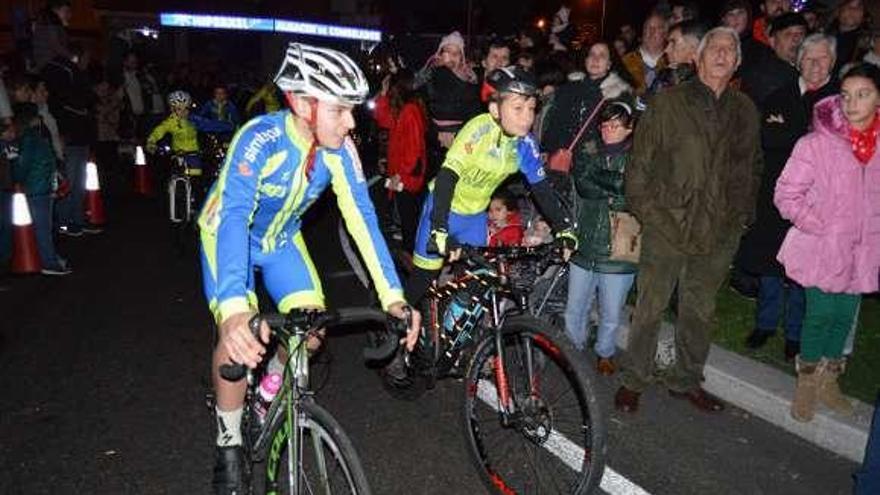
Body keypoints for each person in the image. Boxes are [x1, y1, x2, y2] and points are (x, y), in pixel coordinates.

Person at [198, 43, 420, 494]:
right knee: (238, 341)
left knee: (312, 331)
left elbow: (364, 221)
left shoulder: (341, 150)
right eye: (340, 111)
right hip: (226, 236)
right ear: (302, 104)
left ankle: (268, 392)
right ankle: (228, 442)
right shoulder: (259, 138)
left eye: (353, 111)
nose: (352, 122)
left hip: (281, 242)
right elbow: (236, 217)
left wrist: (394, 298)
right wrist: (235, 309)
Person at [616, 27, 763, 415]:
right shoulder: (669, 103)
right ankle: (634, 379)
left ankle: (686, 379)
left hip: (719, 229)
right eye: (714, 48)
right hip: (668, 223)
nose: (722, 54)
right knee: (651, 306)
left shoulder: (745, 110)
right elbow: (639, 167)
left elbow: (754, 168)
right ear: (697, 58)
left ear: (736, 62)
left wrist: (742, 216)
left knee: (699, 310)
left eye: (730, 50)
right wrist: (649, 212)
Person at [405, 66, 577, 306]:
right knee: (423, 279)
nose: (527, 117)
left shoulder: (525, 143)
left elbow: (541, 189)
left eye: (531, 108)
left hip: (475, 217)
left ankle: (452, 333)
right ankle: (396, 329)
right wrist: (439, 228)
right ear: (495, 109)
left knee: (481, 281)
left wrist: (564, 228)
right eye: (517, 108)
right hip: (443, 209)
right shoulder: (478, 130)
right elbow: (447, 178)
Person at [774, 63, 880, 423]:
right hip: (822, 247)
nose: (852, 103)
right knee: (819, 315)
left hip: (863, 252)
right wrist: (818, 224)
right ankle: (806, 383)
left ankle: (829, 380)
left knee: (844, 317)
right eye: (847, 95)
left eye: (863, 94)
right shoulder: (818, 143)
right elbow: (786, 194)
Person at [736, 34, 840, 362]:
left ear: (832, 64)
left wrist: (790, 135)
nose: (814, 64)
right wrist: (804, 136)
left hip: (815, 200)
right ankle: (766, 324)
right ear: (798, 60)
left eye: (822, 59)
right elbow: (766, 137)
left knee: (800, 266)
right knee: (770, 262)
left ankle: (794, 332)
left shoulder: (839, 103)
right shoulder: (777, 95)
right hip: (774, 192)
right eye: (808, 57)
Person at [564, 99, 638, 377]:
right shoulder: (588, 149)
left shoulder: (639, 156)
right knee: (575, 308)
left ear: (629, 128)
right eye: (604, 125)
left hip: (619, 248)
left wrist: (603, 181)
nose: (608, 130)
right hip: (584, 241)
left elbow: (628, 191)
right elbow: (584, 186)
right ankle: (573, 349)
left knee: (610, 312)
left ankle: (605, 352)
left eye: (616, 125)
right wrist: (611, 186)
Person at [40, 43, 96, 237]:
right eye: (86, 57)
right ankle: (64, 222)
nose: (88, 62)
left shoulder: (78, 79)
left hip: (81, 137)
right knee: (69, 182)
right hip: (70, 138)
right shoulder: (63, 76)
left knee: (79, 182)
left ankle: (77, 219)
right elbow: (66, 107)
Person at [10, 103, 70, 275]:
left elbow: (21, 164)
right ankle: (49, 261)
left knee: (42, 226)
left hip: (38, 186)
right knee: (43, 227)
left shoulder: (28, 138)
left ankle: (47, 258)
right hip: (39, 187)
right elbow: (24, 164)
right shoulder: (32, 138)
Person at [373, 69, 428, 253]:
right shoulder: (404, 110)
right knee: (407, 217)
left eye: (390, 89)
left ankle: (411, 255)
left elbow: (413, 150)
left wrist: (399, 175)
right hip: (402, 174)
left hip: (406, 176)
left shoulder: (410, 110)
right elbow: (382, 118)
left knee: (409, 218)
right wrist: (382, 93)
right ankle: (410, 252)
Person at [146, 90, 233, 178]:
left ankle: (194, 189)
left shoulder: (193, 120)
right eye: (179, 109)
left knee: (196, 174)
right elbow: (159, 131)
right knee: (174, 173)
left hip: (193, 153)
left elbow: (209, 124)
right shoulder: (170, 122)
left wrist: (229, 126)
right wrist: (151, 142)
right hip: (177, 153)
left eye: (186, 108)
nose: (183, 112)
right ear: (172, 109)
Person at [740, 12, 808, 111]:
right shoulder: (762, 75)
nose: (796, 39)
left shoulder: (811, 69)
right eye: (788, 34)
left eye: (801, 33)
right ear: (772, 41)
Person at [650, 19, 707, 94]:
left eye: (673, 42)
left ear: (694, 50)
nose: (666, 50)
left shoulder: (706, 88)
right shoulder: (666, 76)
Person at [622, 12, 668, 95]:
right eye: (648, 28)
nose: (652, 32)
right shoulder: (625, 62)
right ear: (643, 32)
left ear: (665, 34)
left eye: (657, 28)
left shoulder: (671, 63)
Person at [31, 0, 72, 71]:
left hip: (53, 58)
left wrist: (64, 27)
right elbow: (56, 45)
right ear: (56, 10)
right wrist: (73, 58)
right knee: (71, 69)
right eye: (65, 11)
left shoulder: (55, 21)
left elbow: (64, 43)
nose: (68, 14)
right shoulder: (49, 20)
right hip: (46, 61)